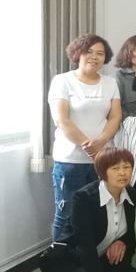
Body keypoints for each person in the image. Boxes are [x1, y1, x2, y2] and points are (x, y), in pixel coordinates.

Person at [40, 148, 136, 272]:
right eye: (115, 168)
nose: (122, 173)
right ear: (102, 171)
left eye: (127, 167)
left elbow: (133, 231)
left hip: (99, 256)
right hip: (69, 259)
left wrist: (122, 241)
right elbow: (84, 243)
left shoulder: (132, 195)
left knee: (125, 257)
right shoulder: (85, 197)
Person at [48, 34, 121, 240]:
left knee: (97, 214)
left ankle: (90, 258)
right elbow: (61, 120)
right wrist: (88, 145)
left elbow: (115, 117)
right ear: (77, 53)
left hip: (102, 160)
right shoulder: (62, 81)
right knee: (67, 214)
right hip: (70, 161)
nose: (94, 57)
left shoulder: (110, 83)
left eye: (100, 53)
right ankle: (61, 259)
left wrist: (100, 143)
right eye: (89, 52)